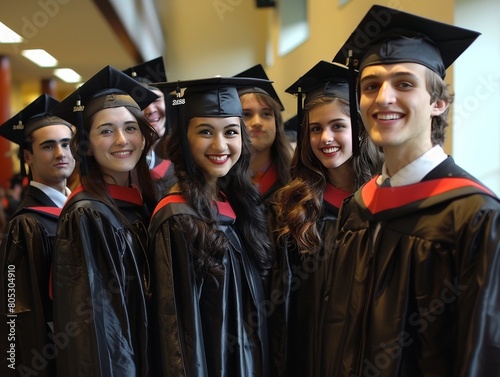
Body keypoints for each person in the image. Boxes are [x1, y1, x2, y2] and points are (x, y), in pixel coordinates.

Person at [320, 5, 500, 376]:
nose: (383, 98)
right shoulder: (358, 208)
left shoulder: (474, 214)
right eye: (370, 86)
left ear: (438, 103)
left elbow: (482, 351)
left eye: (404, 83)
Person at [148, 76, 273, 376]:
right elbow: (177, 332)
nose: (220, 145)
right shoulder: (177, 218)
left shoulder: (239, 204)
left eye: (230, 132)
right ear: (184, 139)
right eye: (205, 131)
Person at [268, 60, 383, 377]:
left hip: (367, 349)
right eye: (315, 129)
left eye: (338, 126)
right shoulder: (292, 204)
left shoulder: (384, 198)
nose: (325, 138)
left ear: (359, 129)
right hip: (306, 349)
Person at [51, 66, 159, 377]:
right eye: (106, 130)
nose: (122, 140)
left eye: (130, 127)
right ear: (86, 144)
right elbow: (96, 332)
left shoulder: (140, 202)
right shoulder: (88, 215)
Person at [0, 94, 75, 377]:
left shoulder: (81, 210)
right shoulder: (27, 224)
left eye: (66, 144)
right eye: (48, 146)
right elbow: (17, 311)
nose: (61, 153)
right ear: (28, 156)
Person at [234, 64, 293, 205]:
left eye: (266, 114)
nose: (257, 122)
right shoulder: (219, 186)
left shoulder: (294, 183)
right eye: (246, 114)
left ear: (277, 124)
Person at [123, 56, 176, 192]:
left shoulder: (180, 154)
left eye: (156, 100)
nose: (151, 110)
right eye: (142, 103)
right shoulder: (122, 164)